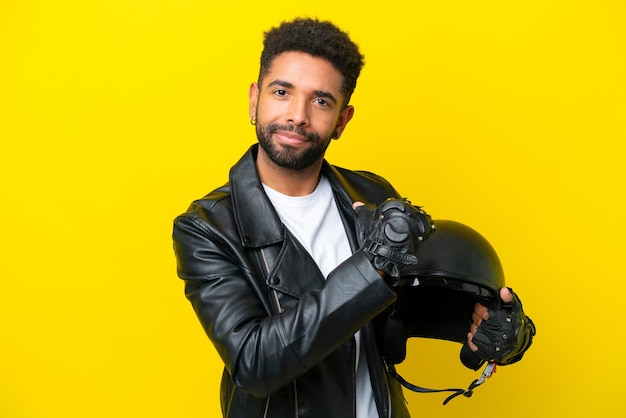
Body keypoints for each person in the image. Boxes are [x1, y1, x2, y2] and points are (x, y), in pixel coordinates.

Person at [172, 17, 534, 418]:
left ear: (342, 120)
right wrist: (373, 265)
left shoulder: (372, 195)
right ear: (254, 100)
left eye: (321, 100)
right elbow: (255, 363)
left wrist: (493, 330)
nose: (297, 115)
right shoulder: (206, 227)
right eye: (281, 92)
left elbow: (398, 316)